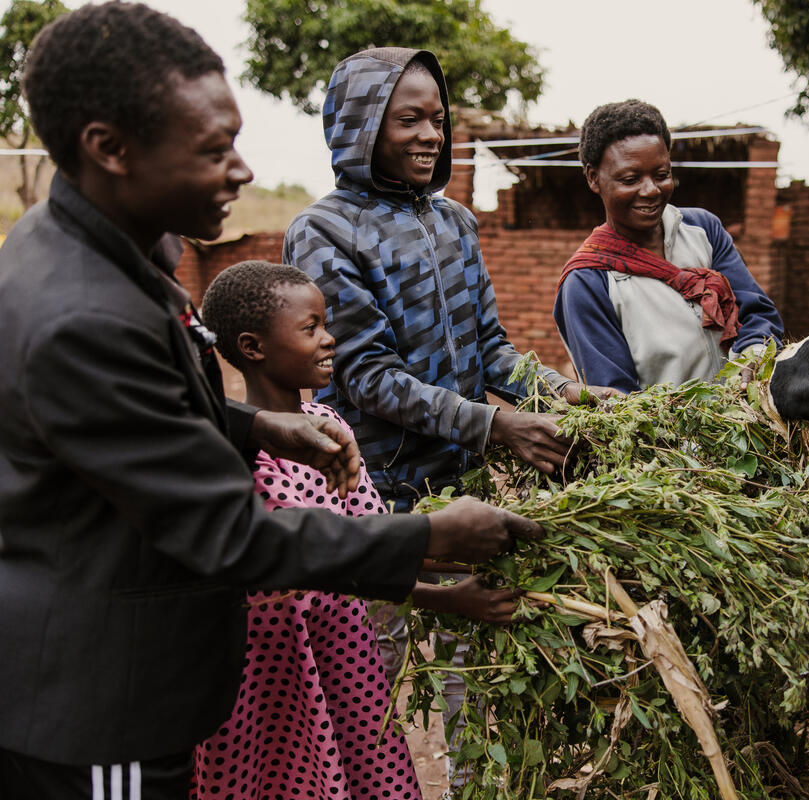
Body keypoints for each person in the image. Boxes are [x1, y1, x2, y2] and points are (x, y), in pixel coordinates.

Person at [0, 6, 537, 799]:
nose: (245, 171)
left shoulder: (101, 249)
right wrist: (425, 536)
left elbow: (138, 412)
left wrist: (256, 423)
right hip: (101, 700)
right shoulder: (84, 314)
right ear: (109, 149)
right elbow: (229, 534)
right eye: (214, 149)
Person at [282, 47, 613, 792]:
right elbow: (364, 377)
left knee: (475, 688)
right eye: (409, 119)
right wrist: (497, 428)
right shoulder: (324, 232)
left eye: (438, 118)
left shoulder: (455, 222)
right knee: (370, 686)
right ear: (361, 126)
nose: (431, 134)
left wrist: (560, 394)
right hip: (370, 498)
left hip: (458, 496)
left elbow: (490, 348)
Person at [195, 261, 525, 800]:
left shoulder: (333, 429)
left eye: (325, 324)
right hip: (276, 673)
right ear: (253, 347)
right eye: (310, 328)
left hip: (348, 659)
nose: (329, 339)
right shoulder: (243, 463)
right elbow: (327, 567)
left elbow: (373, 536)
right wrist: (446, 601)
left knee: (366, 773)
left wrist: (491, 558)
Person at [554, 99, 785, 393]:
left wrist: (751, 359)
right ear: (593, 178)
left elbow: (757, 313)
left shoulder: (703, 229)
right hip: (668, 438)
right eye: (630, 179)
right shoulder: (587, 282)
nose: (651, 190)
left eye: (661, 175)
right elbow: (617, 403)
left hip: (747, 423)